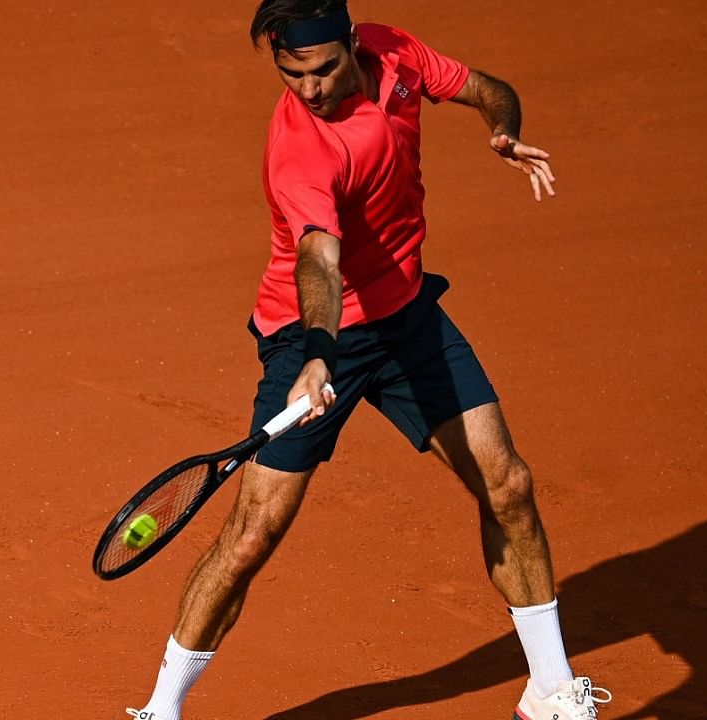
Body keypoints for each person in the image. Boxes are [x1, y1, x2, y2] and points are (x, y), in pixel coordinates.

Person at [124, 1, 611, 718]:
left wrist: (504, 128)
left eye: (322, 69)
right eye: (292, 75)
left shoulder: (397, 54)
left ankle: (551, 689)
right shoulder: (300, 147)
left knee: (506, 482)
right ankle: (160, 710)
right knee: (253, 533)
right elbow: (318, 258)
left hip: (407, 318)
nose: (310, 89)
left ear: (354, 44)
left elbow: (484, 87)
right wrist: (319, 354)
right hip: (313, 337)